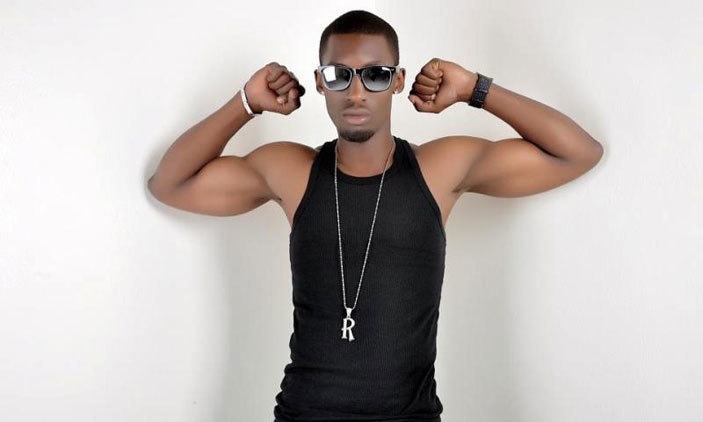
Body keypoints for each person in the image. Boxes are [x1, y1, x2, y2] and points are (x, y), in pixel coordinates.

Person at [147, 9, 603, 422]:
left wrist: (474, 89)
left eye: (376, 75)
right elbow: (170, 184)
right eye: (339, 75)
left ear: (398, 81)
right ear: (320, 82)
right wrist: (245, 103)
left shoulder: (437, 170)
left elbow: (577, 152)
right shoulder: (291, 171)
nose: (357, 93)